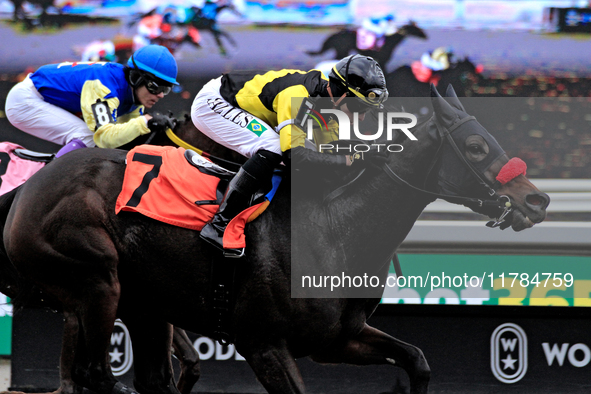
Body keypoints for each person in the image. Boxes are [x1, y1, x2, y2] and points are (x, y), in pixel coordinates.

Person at [191, 54, 389, 255]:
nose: (362, 116)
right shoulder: (298, 95)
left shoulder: (331, 107)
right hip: (214, 102)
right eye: (361, 107)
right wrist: (352, 159)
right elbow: (296, 157)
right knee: (275, 147)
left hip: (244, 103)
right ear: (342, 95)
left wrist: (365, 152)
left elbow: (326, 153)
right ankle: (219, 225)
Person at [5, 45, 178, 157]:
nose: (161, 95)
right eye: (156, 87)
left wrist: (151, 127)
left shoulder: (132, 93)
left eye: (166, 89)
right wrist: (145, 122)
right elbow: (105, 138)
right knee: (87, 136)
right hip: (25, 101)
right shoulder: (103, 86)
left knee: (92, 139)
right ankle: (44, 184)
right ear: (136, 78)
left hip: (42, 99)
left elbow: (125, 136)